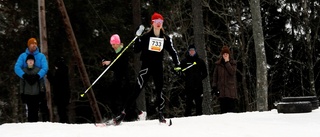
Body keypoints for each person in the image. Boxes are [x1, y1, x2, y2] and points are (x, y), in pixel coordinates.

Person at [114, 12, 180, 124]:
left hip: (158, 67)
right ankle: (123, 113)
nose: (158, 24)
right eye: (156, 22)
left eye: (160, 22)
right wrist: (137, 37)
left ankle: (160, 113)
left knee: (159, 91)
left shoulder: (165, 38)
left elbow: (172, 52)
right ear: (152, 23)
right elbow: (136, 50)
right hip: (146, 67)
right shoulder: (146, 37)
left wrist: (177, 64)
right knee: (136, 90)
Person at [15, 38, 49, 122]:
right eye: (32, 44)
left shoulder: (41, 56)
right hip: (27, 85)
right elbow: (16, 67)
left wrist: (38, 76)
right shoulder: (23, 56)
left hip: (39, 84)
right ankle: (30, 125)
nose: (34, 45)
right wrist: (24, 76)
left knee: (41, 107)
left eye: (35, 44)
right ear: (28, 45)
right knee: (30, 108)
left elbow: (45, 67)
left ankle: (45, 124)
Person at [101, 34, 134, 120]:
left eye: (114, 44)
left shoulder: (123, 52)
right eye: (112, 44)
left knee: (124, 99)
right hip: (118, 79)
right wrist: (106, 64)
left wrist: (110, 63)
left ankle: (137, 114)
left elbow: (121, 65)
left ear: (118, 43)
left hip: (124, 80)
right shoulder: (115, 53)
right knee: (114, 97)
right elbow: (114, 67)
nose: (113, 46)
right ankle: (116, 115)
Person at [180, 44, 207, 116]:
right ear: (188, 52)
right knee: (188, 105)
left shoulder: (200, 61)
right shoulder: (184, 61)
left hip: (198, 87)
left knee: (199, 105)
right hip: (188, 87)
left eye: (193, 50)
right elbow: (179, 71)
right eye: (190, 51)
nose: (192, 52)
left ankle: (199, 120)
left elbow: (205, 73)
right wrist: (185, 78)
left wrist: (199, 78)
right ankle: (187, 120)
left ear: (195, 51)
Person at [211, 46, 238, 113]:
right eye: (224, 54)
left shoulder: (233, 63)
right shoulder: (218, 64)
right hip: (221, 91)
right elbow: (215, 76)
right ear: (222, 55)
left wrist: (227, 63)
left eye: (227, 54)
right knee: (223, 111)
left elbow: (232, 72)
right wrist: (214, 86)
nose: (225, 55)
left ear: (229, 55)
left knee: (231, 111)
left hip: (230, 91)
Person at [47, 57, 71, 123]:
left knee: (61, 111)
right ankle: (64, 121)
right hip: (65, 94)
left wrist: (49, 75)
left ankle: (64, 122)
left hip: (60, 95)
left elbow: (55, 82)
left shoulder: (60, 72)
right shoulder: (65, 71)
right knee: (63, 111)